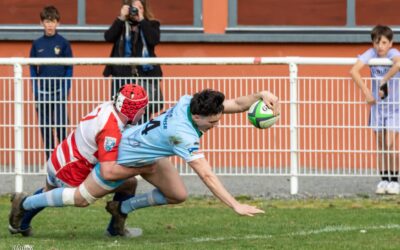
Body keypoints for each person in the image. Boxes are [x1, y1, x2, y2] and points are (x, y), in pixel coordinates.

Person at [9, 84, 152, 238]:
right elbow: (108, 171)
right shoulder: (111, 129)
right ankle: (24, 203)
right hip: (70, 171)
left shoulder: (108, 108)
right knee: (126, 184)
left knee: (47, 193)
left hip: (60, 157)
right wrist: (141, 169)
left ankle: (20, 223)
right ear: (131, 110)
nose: (144, 111)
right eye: (142, 108)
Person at [350, 24, 400, 195]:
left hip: (394, 107)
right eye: (377, 43)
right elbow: (354, 70)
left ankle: (395, 180)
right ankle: (384, 179)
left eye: (384, 43)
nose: (381, 47)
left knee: (391, 143)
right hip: (377, 108)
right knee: (380, 145)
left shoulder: (393, 53)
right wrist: (367, 93)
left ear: (391, 43)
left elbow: (398, 64)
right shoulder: (371, 54)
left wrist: (384, 80)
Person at [103, 0, 163, 123]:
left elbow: (153, 40)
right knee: (121, 111)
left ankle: (141, 138)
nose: (136, 10)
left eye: (139, 8)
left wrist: (142, 20)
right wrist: (121, 18)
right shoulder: (121, 24)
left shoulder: (152, 24)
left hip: (145, 75)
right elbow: (108, 37)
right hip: (122, 75)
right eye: (133, 8)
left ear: (144, 10)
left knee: (143, 111)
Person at [30, 5, 73, 159]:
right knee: (46, 129)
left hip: (59, 92)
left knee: (61, 127)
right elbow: (33, 69)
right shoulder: (37, 44)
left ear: (58, 23)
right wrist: (35, 90)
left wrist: (65, 88)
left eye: (52, 21)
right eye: (47, 21)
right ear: (41, 23)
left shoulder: (63, 43)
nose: (49, 25)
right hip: (43, 94)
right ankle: (49, 162)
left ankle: (63, 161)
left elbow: (69, 68)